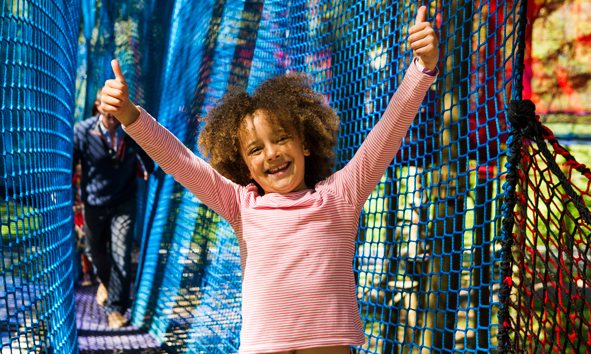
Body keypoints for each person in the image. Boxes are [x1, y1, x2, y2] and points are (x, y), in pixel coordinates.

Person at [100, 7, 438, 353]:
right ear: (245, 165)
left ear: (305, 143)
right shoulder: (240, 204)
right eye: (256, 149)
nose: (272, 153)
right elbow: (181, 161)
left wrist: (421, 69)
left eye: (280, 138)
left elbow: (387, 133)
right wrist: (129, 114)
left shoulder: (341, 195)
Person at [73, 88, 154, 328]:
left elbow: (146, 153)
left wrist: (151, 168)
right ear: (99, 107)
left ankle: (116, 309)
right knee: (95, 251)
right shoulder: (83, 131)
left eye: (119, 111)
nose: (114, 117)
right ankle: (106, 282)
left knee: (121, 253)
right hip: (94, 202)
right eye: (110, 112)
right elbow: (72, 161)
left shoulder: (129, 129)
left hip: (124, 200)